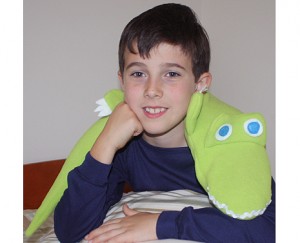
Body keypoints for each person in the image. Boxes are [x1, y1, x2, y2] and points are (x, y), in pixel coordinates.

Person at [54, 3, 275, 242]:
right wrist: (105, 143)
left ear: (200, 83)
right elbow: (70, 231)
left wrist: (161, 224)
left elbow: (274, 227)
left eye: (171, 74)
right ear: (122, 81)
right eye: (138, 73)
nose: (152, 90)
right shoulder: (126, 148)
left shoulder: (226, 141)